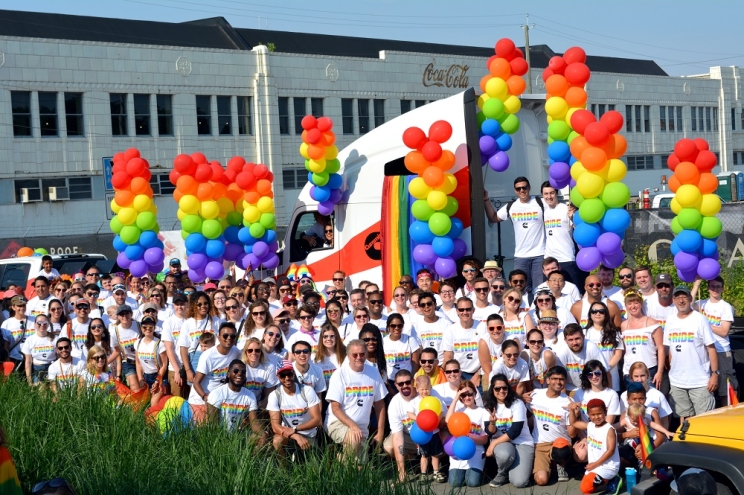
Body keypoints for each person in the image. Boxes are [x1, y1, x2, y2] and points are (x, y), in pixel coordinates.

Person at [325, 339, 388, 462]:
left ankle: (338, 458)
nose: (359, 357)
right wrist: (353, 426)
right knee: (353, 439)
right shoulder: (339, 375)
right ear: (348, 356)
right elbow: (335, 408)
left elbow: (380, 404)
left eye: (362, 354)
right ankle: (341, 463)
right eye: (355, 355)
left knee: (360, 470)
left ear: (366, 354)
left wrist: (380, 433)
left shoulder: (373, 373)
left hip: (361, 430)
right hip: (337, 423)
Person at [485, 177, 546, 297]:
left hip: (540, 254)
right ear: (515, 190)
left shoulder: (540, 202)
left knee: (540, 289)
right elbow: (493, 218)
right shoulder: (511, 206)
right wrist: (486, 200)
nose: (522, 190)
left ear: (529, 188)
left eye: (524, 187)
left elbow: (555, 209)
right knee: (519, 290)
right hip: (520, 256)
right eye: (518, 188)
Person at [664, 285, 718, 421]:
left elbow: (711, 348)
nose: (681, 300)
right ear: (673, 300)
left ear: (690, 298)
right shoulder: (670, 321)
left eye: (684, 297)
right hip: (677, 382)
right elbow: (670, 350)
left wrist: (715, 374)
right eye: (678, 297)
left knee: (704, 420)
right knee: (684, 420)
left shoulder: (700, 319)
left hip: (700, 381)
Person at [692, 276, 738, 407]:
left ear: (722, 288)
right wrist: (696, 285)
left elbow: (724, 331)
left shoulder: (725, 307)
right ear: (708, 288)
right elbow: (687, 304)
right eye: (712, 286)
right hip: (704, 350)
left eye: (718, 286)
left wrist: (704, 323)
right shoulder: (702, 303)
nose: (715, 289)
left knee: (725, 389)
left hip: (721, 351)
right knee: (707, 387)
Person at [484, 374, 534, 488]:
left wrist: (493, 444)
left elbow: (515, 431)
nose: (501, 391)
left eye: (504, 388)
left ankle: (514, 469)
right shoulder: (488, 405)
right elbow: (490, 432)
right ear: (492, 389)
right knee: (504, 454)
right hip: (503, 444)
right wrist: (492, 423)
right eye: (497, 388)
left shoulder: (517, 403)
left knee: (519, 482)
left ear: (508, 388)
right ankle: (503, 473)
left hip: (522, 442)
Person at [188, 322, 242, 422]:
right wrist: (204, 397)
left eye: (232, 336)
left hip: (221, 399)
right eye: (225, 336)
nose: (229, 338)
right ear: (219, 337)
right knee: (204, 432)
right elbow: (196, 382)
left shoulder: (236, 352)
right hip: (201, 399)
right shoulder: (208, 356)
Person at [568, 398, 622, 495]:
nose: (596, 417)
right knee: (585, 489)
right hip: (596, 465)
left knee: (587, 486)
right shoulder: (590, 425)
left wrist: (595, 464)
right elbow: (574, 423)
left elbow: (610, 451)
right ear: (588, 415)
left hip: (609, 466)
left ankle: (614, 479)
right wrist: (571, 410)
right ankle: (606, 481)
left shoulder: (609, 429)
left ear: (605, 412)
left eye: (599, 413)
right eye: (593, 414)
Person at [268, 360, 322, 456]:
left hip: (309, 435)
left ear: (294, 373)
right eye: (282, 376)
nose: (287, 378)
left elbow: (317, 420)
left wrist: (295, 429)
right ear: (278, 377)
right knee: (277, 440)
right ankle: (282, 469)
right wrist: (295, 435)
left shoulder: (307, 390)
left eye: (289, 374)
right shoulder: (274, 395)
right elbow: (275, 426)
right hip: (288, 435)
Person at [572, 361, 621, 463]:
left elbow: (608, 423)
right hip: (585, 434)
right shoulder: (580, 393)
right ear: (586, 376)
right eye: (590, 374)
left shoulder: (612, 394)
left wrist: (593, 439)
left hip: (603, 435)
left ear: (603, 373)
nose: (594, 377)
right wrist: (584, 438)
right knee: (581, 454)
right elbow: (577, 420)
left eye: (597, 373)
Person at [445, 381, 490, 487]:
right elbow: (448, 420)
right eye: (463, 395)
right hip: (458, 451)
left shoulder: (483, 412)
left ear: (475, 394)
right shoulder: (459, 411)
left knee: (472, 483)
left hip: (476, 450)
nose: (467, 397)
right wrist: (456, 397)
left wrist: (470, 439)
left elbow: (485, 439)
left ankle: (481, 470)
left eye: (470, 394)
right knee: (455, 483)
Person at [616, 383, 673, 467]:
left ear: (645, 399)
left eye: (641, 399)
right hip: (634, 447)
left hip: (652, 445)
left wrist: (645, 450)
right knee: (619, 457)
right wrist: (627, 434)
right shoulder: (625, 415)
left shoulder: (651, 412)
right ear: (627, 399)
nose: (638, 402)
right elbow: (615, 435)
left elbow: (660, 437)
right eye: (634, 399)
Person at [620, 289, 664, 390]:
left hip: (648, 369)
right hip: (629, 370)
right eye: (629, 303)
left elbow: (661, 348)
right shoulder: (624, 325)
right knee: (634, 402)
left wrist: (660, 372)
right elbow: (626, 350)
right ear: (626, 306)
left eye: (636, 302)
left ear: (641, 304)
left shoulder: (652, 323)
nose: (633, 306)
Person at [207, 359, 262, 438]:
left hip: (239, 435)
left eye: (243, 372)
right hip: (219, 436)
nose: (239, 373)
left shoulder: (250, 395)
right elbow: (213, 426)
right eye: (235, 371)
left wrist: (262, 434)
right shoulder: (217, 394)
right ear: (228, 374)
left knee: (258, 437)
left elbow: (254, 423)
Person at [407, 375, 447, 482]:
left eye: (427, 389)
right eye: (422, 389)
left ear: (431, 388)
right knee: (424, 455)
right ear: (417, 389)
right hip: (422, 433)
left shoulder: (435, 400)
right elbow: (409, 413)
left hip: (434, 432)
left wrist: (436, 421)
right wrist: (418, 419)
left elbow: (441, 412)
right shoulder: (415, 401)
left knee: (436, 454)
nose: (425, 392)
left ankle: (436, 471)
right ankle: (423, 473)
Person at [383, 369, 420, 483]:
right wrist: (401, 472)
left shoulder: (423, 394)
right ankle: (415, 459)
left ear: (413, 381)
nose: (405, 386)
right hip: (408, 436)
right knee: (389, 447)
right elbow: (398, 436)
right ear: (396, 385)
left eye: (408, 382)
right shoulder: (394, 404)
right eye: (400, 384)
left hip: (429, 433)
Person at [178, 292, 221, 386]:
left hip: (213, 358)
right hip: (195, 359)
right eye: (199, 304)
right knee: (196, 391)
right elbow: (183, 349)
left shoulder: (216, 321)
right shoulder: (188, 323)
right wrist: (188, 370)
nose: (203, 306)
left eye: (206, 303)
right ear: (194, 305)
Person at [553, 323, 609, 392]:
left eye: (577, 338)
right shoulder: (561, 353)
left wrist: (608, 394)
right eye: (570, 340)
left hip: (592, 387)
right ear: (565, 340)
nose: (574, 343)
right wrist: (565, 399)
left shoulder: (591, 347)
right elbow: (559, 378)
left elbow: (605, 372)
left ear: (583, 337)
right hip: (570, 388)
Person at [442, 297, 485, 388]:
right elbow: (448, 357)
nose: (465, 312)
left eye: (468, 309)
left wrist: (478, 375)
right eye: (461, 310)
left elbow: (489, 355)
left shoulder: (482, 327)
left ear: (473, 310)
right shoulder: (450, 330)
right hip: (458, 373)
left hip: (479, 372)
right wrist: (456, 377)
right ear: (457, 311)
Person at [584, 301, 625, 392]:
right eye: (594, 311)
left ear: (606, 314)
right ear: (590, 315)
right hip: (592, 377)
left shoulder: (615, 332)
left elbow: (618, 354)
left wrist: (605, 369)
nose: (597, 313)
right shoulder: (585, 333)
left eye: (601, 311)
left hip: (611, 375)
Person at [620, 362, 673, 430]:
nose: (639, 379)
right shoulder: (624, 395)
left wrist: (663, 438)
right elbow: (622, 420)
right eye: (636, 376)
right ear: (631, 377)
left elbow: (665, 421)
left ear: (647, 375)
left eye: (642, 376)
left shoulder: (658, 395)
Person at [134, 315, 167, 406]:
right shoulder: (138, 343)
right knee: (141, 404)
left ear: (154, 328)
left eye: (150, 327)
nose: (147, 329)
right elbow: (138, 362)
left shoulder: (159, 344)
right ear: (141, 328)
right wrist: (140, 378)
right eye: (145, 327)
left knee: (154, 403)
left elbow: (164, 365)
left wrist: (157, 381)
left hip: (158, 376)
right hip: (145, 376)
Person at [382, 313, 420, 387]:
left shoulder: (410, 340)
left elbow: (415, 363)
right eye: (393, 326)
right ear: (388, 327)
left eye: (400, 325)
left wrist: (411, 379)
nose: (397, 328)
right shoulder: (383, 342)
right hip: (390, 381)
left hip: (407, 381)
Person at [161, 293, 188, 398]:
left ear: (187, 304)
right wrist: (177, 370)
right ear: (173, 305)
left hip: (191, 366)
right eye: (177, 304)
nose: (179, 307)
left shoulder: (191, 320)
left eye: (182, 304)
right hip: (176, 366)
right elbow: (169, 349)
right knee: (177, 399)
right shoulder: (169, 322)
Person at [110, 304, 141, 392]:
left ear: (131, 314)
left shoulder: (139, 326)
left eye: (127, 313)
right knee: (136, 390)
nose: (124, 316)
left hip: (143, 360)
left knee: (145, 387)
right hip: (128, 362)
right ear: (118, 317)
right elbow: (117, 351)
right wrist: (106, 362)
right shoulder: (115, 332)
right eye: (121, 314)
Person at [242, 337, 278, 408]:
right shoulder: (241, 367)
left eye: (257, 350)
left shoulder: (269, 368)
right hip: (242, 404)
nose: (254, 353)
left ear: (261, 352)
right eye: (250, 350)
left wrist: (258, 409)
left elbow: (269, 394)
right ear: (246, 352)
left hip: (259, 404)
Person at [22, 314, 56, 386]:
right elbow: (28, 361)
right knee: (40, 392)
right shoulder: (30, 340)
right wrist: (29, 381)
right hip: (37, 368)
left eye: (45, 323)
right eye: (39, 323)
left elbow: (59, 357)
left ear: (48, 324)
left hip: (52, 367)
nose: (42, 325)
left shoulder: (55, 338)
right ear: (35, 324)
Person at [1, 295, 32, 373]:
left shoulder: (34, 320)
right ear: (13, 307)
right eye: (19, 306)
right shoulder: (7, 323)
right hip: (15, 358)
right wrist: (7, 358)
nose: (22, 308)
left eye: (24, 305)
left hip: (32, 359)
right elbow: (6, 344)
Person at [315, 323, 345, 390]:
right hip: (322, 393)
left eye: (332, 336)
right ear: (321, 339)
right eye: (325, 336)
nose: (329, 339)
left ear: (336, 338)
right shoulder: (314, 357)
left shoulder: (344, 355)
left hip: (341, 392)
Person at [478, 314, 506, 381]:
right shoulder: (484, 342)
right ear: (487, 329)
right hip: (492, 376)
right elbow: (488, 371)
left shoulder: (512, 340)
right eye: (491, 328)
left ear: (503, 327)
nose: (495, 331)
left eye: (499, 328)